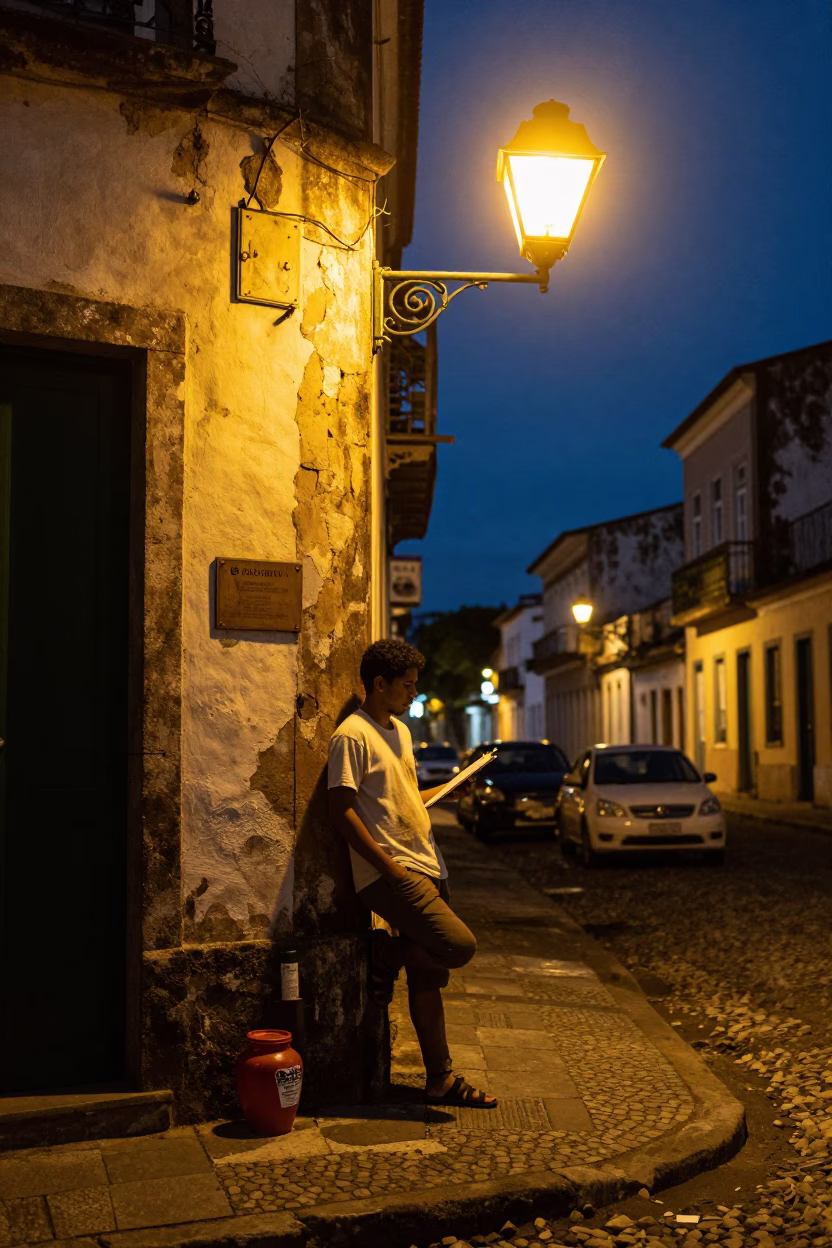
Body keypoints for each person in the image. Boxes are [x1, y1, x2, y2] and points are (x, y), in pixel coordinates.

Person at [327, 638, 496, 1109]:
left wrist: (450, 789)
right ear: (379, 684)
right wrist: (388, 868)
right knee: (458, 945)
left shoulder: (399, 732)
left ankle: (439, 1079)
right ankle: (386, 953)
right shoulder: (351, 736)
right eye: (407, 686)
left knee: (430, 972)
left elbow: (403, 799)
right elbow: (340, 811)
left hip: (426, 860)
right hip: (395, 871)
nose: (413, 695)